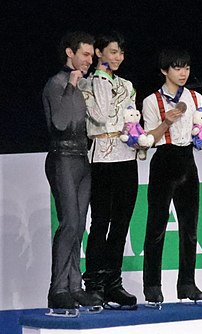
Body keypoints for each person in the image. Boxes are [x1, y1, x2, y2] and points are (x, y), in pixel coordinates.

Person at [142, 48, 202, 305]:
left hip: (187, 162)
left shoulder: (196, 96)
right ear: (164, 70)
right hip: (163, 162)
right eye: (177, 68)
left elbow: (198, 131)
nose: (183, 73)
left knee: (189, 229)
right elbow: (148, 140)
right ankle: (152, 285)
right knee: (156, 228)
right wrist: (167, 121)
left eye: (186, 68)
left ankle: (187, 284)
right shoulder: (152, 101)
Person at [43, 31, 101, 311]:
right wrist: (70, 86)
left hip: (82, 159)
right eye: (85, 54)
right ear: (70, 53)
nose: (90, 60)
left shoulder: (84, 85)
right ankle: (58, 289)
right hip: (62, 157)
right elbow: (61, 122)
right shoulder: (56, 83)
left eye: (92, 55)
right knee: (68, 223)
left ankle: (75, 287)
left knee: (79, 225)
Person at [80, 31, 138, 309]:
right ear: (99, 52)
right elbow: (101, 115)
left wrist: (140, 140)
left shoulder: (126, 84)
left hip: (125, 157)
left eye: (121, 53)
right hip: (101, 158)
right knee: (100, 222)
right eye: (112, 52)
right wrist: (101, 76)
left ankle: (114, 282)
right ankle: (94, 284)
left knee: (122, 224)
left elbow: (131, 120)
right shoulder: (89, 82)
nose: (118, 57)